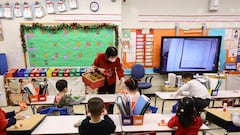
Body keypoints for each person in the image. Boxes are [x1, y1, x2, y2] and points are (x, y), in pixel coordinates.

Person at [92, 46, 125, 114]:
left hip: (111, 80)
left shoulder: (117, 59)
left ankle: (110, 112)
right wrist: (99, 69)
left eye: (115, 57)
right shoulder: (100, 57)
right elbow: (94, 66)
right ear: (107, 56)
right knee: (101, 98)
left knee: (111, 98)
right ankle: (100, 112)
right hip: (101, 81)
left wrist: (122, 78)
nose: (114, 59)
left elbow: (119, 69)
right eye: (112, 57)